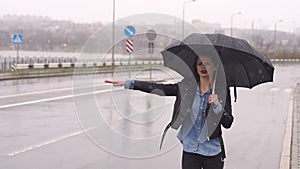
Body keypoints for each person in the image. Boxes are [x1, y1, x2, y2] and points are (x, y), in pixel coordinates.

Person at [105, 54, 234, 169]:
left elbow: (228, 122)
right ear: (195, 66)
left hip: (212, 152)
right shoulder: (187, 87)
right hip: (190, 150)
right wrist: (130, 83)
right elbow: (159, 88)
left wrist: (217, 106)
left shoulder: (221, 91)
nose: (203, 66)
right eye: (200, 63)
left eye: (208, 63)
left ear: (215, 67)